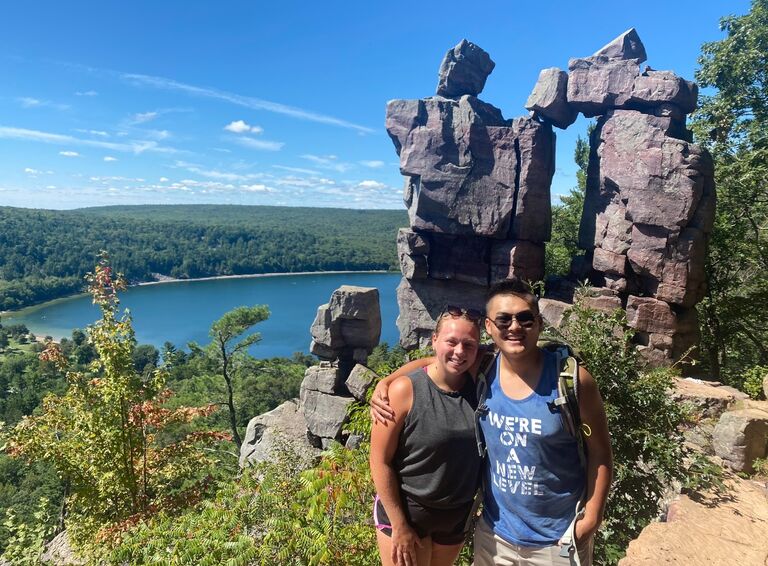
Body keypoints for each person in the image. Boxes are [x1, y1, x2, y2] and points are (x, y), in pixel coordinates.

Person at [372, 279, 613, 566]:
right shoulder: (485, 367)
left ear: (539, 324)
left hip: (557, 539)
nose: (514, 327)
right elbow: (436, 363)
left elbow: (600, 451)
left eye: (525, 318)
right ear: (490, 326)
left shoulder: (573, 381)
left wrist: (593, 515)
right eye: (504, 319)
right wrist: (386, 381)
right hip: (495, 536)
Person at [370, 306, 485, 566]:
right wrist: (399, 525)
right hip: (408, 513)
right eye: (451, 341)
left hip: (456, 516)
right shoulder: (404, 391)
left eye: (469, 344)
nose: (459, 351)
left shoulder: (481, 383)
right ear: (434, 340)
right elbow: (379, 461)